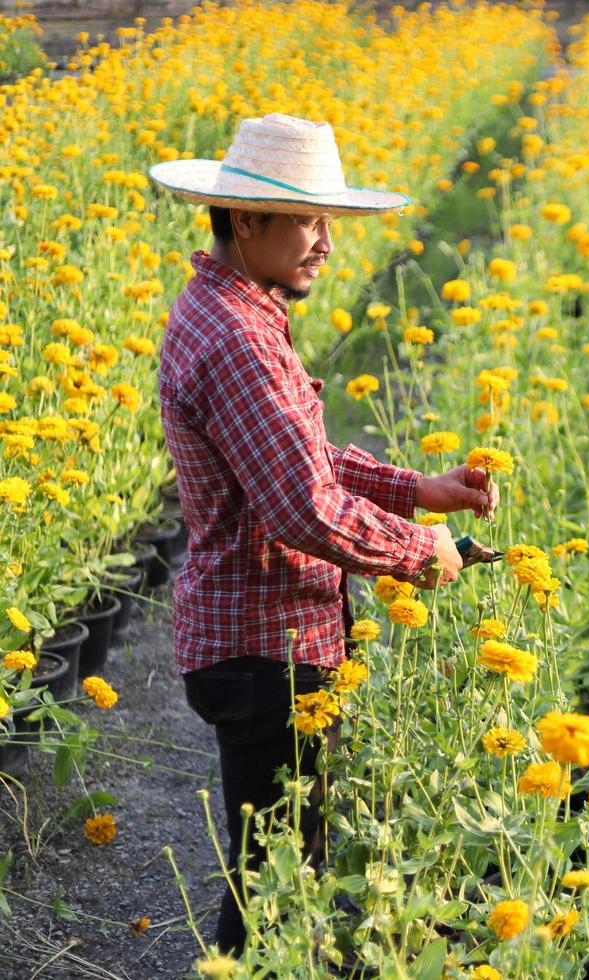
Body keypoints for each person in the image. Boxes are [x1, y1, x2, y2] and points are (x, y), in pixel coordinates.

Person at [148, 113, 495, 954]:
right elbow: (301, 507)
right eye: (308, 221)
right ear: (244, 220)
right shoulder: (239, 339)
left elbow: (295, 452)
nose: (326, 245)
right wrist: (422, 554)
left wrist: (416, 489)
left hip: (255, 638)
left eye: (329, 222)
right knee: (273, 890)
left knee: (279, 874)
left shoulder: (234, 310)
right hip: (266, 648)